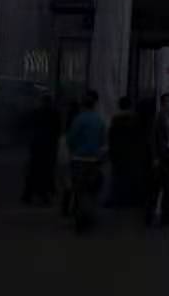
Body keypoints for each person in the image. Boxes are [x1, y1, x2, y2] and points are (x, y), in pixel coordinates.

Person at [65, 90, 108, 232]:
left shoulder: (78, 119)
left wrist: (73, 151)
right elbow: (103, 141)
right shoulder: (99, 120)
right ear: (95, 105)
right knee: (92, 190)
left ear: (83, 105)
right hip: (94, 161)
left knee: (79, 190)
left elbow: (71, 139)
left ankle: (79, 218)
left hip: (79, 160)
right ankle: (90, 216)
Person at [21, 95, 62, 206]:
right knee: (45, 170)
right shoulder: (54, 114)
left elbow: (29, 126)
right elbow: (58, 129)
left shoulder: (37, 112)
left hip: (37, 144)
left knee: (33, 169)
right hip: (48, 145)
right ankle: (43, 194)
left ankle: (28, 194)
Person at [146, 92, 169, 226]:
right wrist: (154, 157)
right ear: (162, 104)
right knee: (155, 189)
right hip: (160, 158)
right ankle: (150, 217)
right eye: (168, 102)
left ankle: (166, 217)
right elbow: (152, 140)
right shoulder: (157, 119)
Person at [108, 96, 142, 207]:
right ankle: (130, 200)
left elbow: (112, 138)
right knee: (131, 178)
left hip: (118, 153)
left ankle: (118, 200)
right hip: (132, 153)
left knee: (118, 178)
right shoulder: (136, 119)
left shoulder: (115, 120)